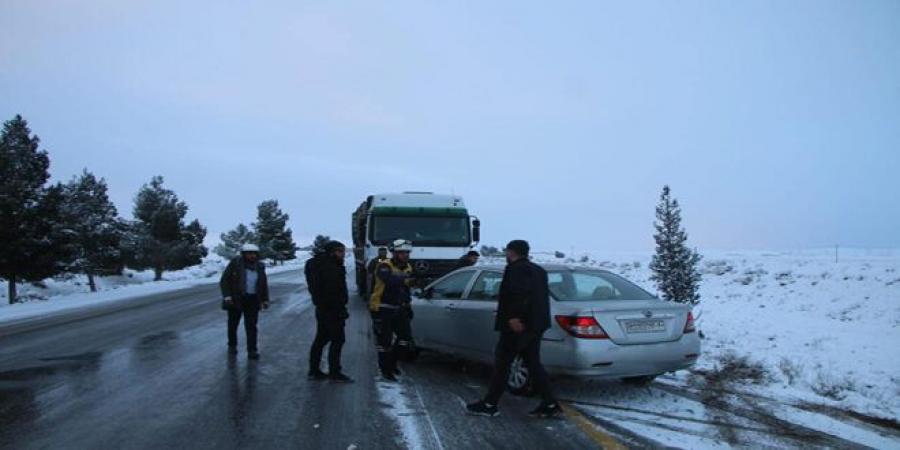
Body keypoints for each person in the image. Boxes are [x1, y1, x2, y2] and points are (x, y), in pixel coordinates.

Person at [467, 240, 560, 418]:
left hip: (518, 326)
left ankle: (489, 404)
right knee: (533, 363)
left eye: (507, 252)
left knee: (503, 363)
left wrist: (514, 317)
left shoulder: (516, 269)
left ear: (511, 252)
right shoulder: (539, 270)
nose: (506, 255)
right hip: (536, 325)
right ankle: (549, 403)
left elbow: (519, 294)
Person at [306, 241, 354, 383]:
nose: (343, 254)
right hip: (332, 310)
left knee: (321, 339)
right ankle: (334, 371)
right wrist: (340, 308)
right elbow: (332, 290)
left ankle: (314, 369)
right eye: (340, 252)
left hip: (323, 308)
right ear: (332, 252)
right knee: (338, 340)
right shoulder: (330, 267)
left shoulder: (320, 264)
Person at [369, 239, 415, 381]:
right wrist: (407, 280)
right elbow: (390, 281)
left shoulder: (408, 267)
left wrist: (408, 305)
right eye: (402, 252)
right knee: (384, 341)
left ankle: (392, 363)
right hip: (382, 308)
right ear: (394, 253)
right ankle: (385, 370)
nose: (405, 255)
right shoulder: (384, 266)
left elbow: (406, 290)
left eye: (407, 252)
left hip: (399, 308)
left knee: (405, 338)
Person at [220, 243, 270, 360]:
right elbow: (224, 281)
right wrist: (227, 296)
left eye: (254, 254)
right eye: (249, 253)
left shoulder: (260, 266)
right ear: (244, 254)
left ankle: (252, 350)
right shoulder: (236, 264)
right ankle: (232, 345)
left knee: (251, 326)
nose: (252, 256)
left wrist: (265, 299)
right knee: (233, 324)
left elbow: (263, 285)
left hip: (253, 300)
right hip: (236, 299)